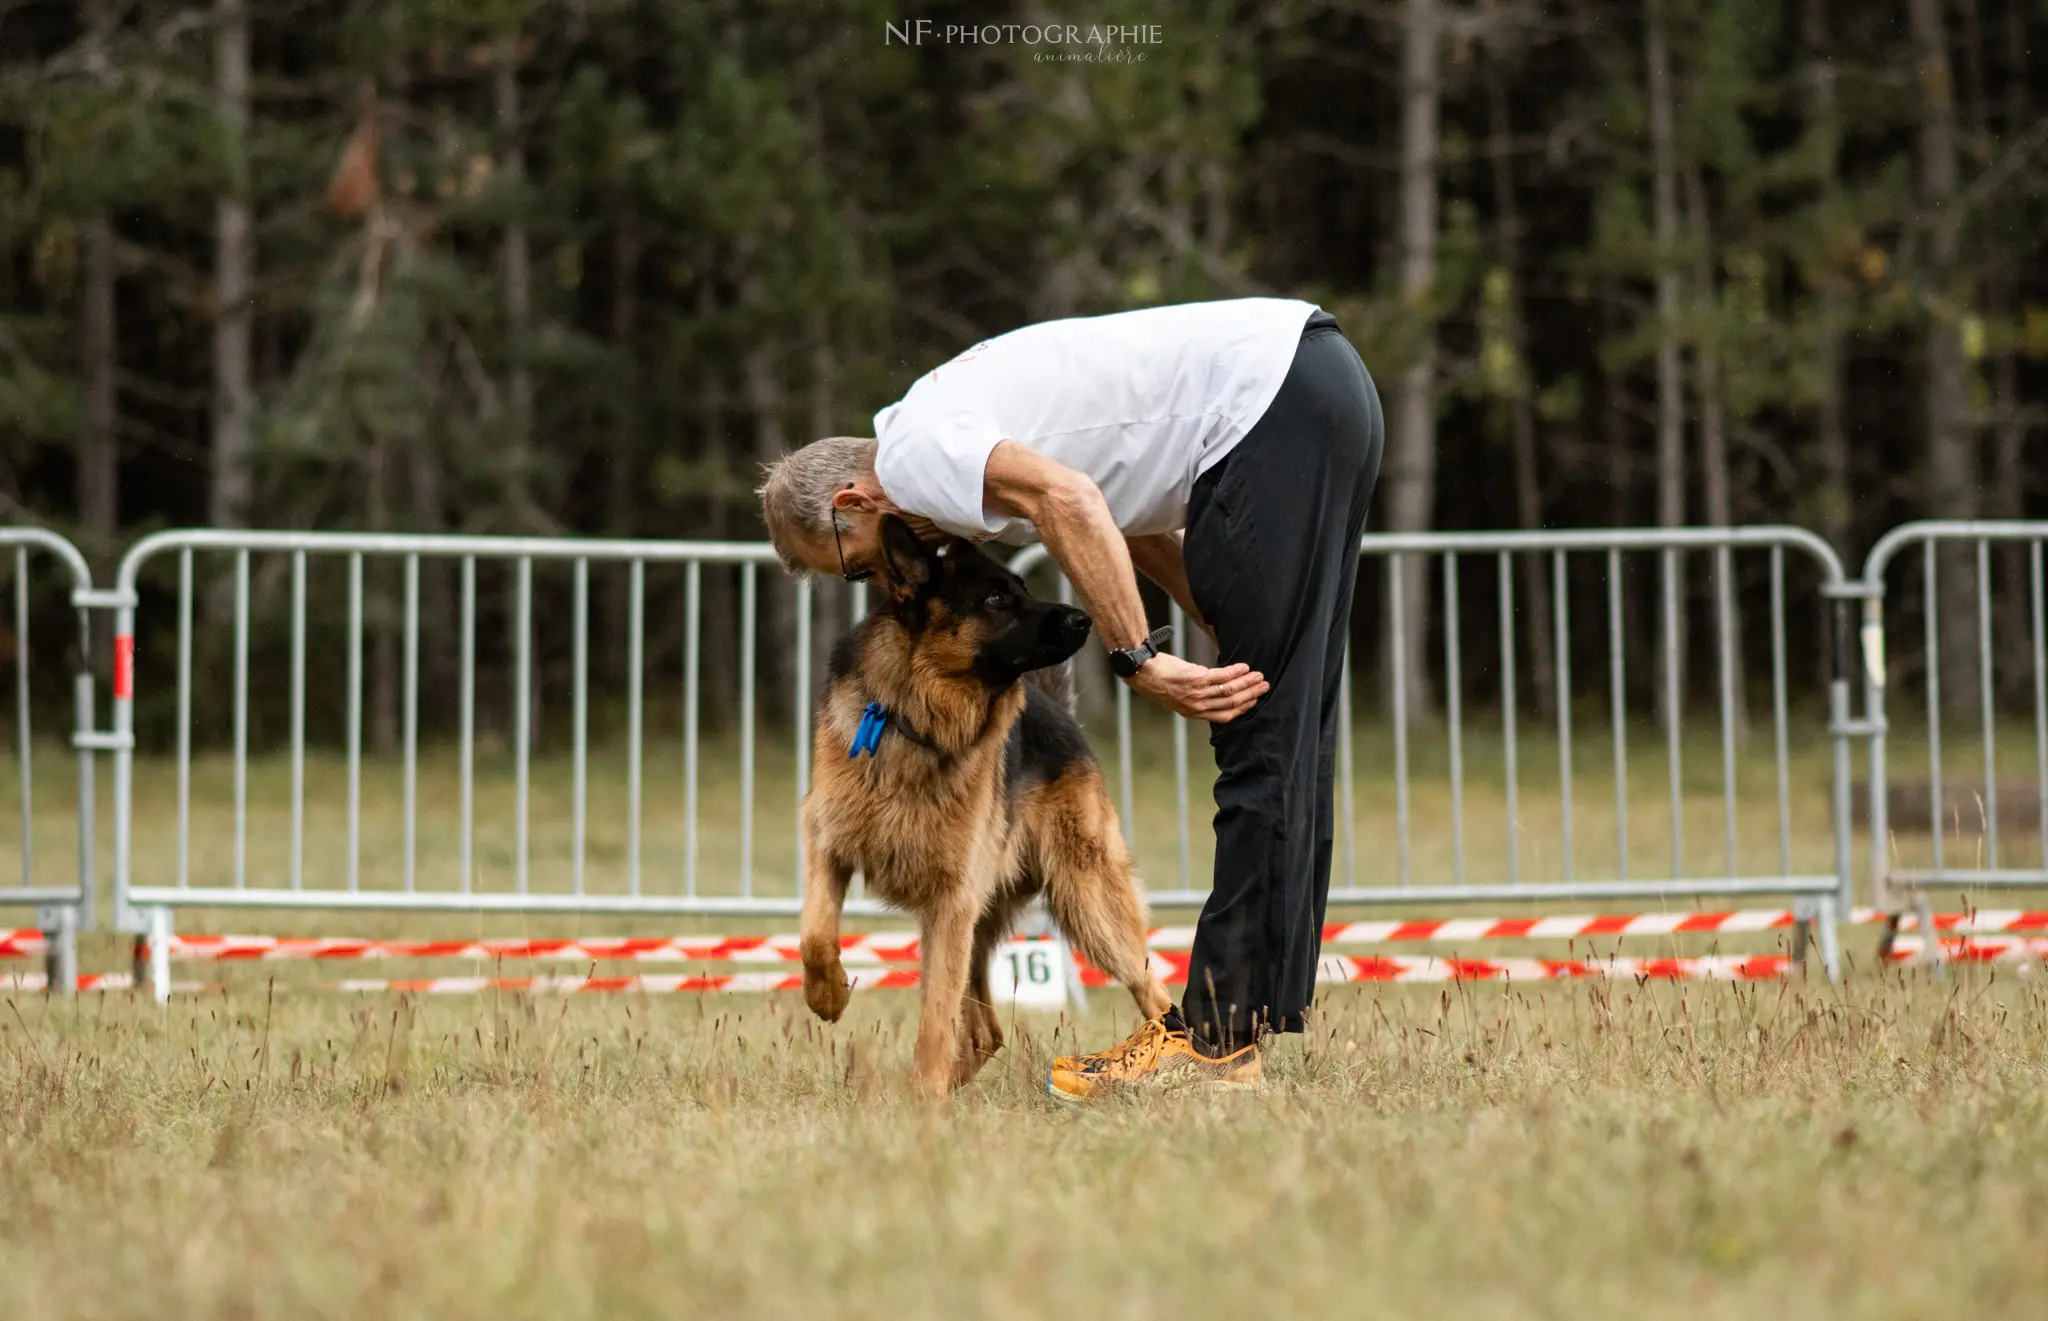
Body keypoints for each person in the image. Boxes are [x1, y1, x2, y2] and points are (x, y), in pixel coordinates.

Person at [758, 297, 1383, 1099]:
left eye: (853, 567)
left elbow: (1075, 504)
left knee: (1256, 728)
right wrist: (1215, 616)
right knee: (1277, 714)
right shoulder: (943, 432)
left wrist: (1139, 658)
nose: (881, 584)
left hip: (1273, 402)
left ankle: (1219, 1039)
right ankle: (1242, 1027)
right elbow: (1123, 515)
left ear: (851, 507)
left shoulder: (917, 457)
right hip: (1316, 381)